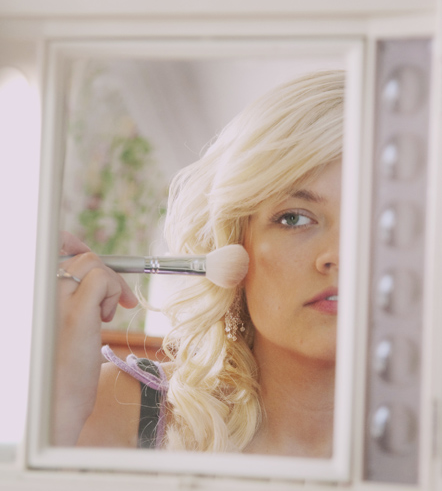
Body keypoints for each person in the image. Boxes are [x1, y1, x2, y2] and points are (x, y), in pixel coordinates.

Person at [54, 69, 344, 458]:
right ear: (234, 242)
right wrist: (60, 403)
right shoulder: (124, 411)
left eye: (377, 221)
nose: (337, 256)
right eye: (294, 217)